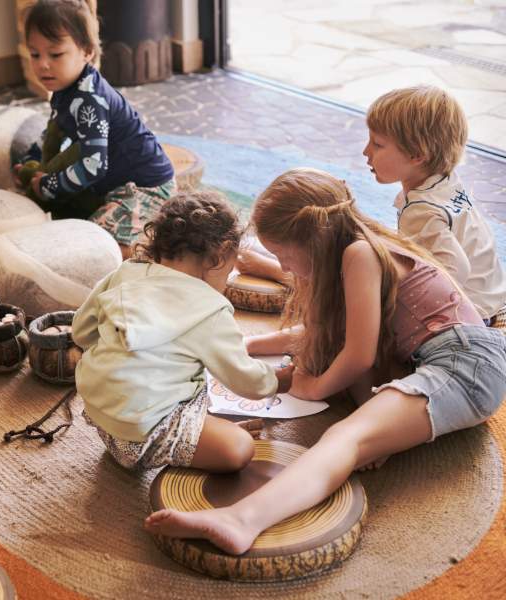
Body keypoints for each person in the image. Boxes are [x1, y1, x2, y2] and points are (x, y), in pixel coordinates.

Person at [144, 168, 506, 554]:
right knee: (327, 353)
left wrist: (311, 386)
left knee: (345, 435)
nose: (283, 268)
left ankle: (241, 519)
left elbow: (359, 354)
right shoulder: (352, 250)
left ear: (314, 241)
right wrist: (242, 349)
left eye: (284, 256)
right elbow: (327, 338)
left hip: (469, 364)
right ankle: (383, 429)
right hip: (429, 355)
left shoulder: (360, 253)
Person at [71, 190, 294, 471]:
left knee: (180, 373)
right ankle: (191, 440)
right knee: (240, 448)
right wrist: (276, 381)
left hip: (103, 418)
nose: (226, 283)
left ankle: (197, 433)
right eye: (229, 273)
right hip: (147, 432)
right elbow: (244, 379)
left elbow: (80, 331)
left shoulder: (125, 272)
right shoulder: (210, 309)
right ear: (221, 254)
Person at [16, 0, 175, 260]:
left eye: (55, 54)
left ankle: (157, 248)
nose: (43, 64)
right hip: (109, 184)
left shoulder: (89, 99)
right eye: (35, 54)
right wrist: (31, 161)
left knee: (98, 246)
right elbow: (53, 133)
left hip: (145, 186)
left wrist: (48, 184)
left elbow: (93, 165)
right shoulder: (63, 90)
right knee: (68, 220)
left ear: (87, 51)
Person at [365, 85, 506, 325]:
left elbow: (455, 269)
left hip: (470, 316)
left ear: (417, 155)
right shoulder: (445, 181)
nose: (366, 151)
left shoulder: (421, 208)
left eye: (377, 144)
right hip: (492, 297)